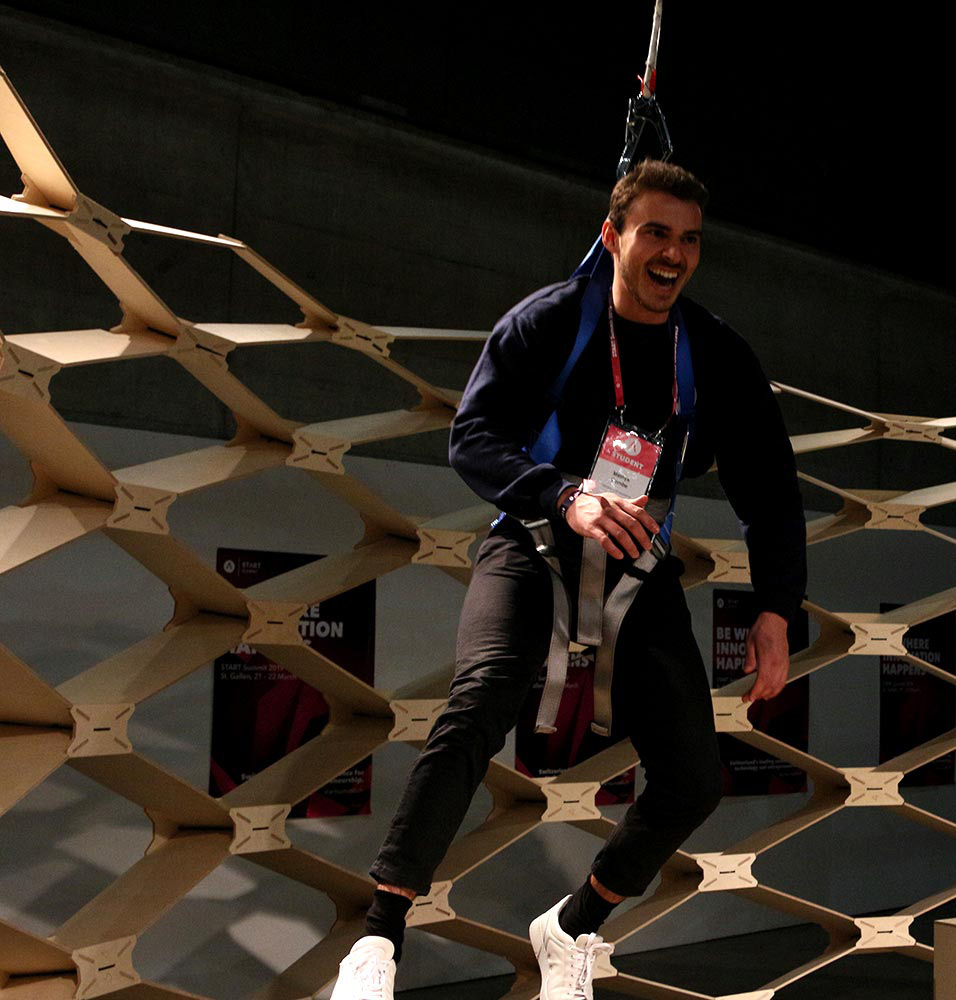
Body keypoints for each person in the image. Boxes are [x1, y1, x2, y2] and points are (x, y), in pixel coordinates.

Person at [331, 160, 807, 1000]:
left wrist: (775, 607)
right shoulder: (549, 322)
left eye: (689, 239)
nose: (673, 254)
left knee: (695, 778)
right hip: (535, 542)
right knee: (483, 699)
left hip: (639, 564)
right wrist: (563, 497)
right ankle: (377, 941)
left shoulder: (717, 352)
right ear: (612, 235)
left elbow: (769, 489)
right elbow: (473, 439)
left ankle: (573, 926)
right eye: (655, 232)